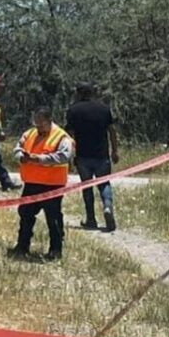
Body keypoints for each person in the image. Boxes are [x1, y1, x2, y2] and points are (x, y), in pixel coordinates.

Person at [8, 107, 75, 261]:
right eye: (36, 124)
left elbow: (64, 156)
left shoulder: (61, 137)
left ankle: (55, 250)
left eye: (41, 125)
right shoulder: (29, 133)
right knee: (25, 214)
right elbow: (17, 148)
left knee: (53, 217)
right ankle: (22, 246)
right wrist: (21, 157)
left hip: (52, 185)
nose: (38, 128)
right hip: (31, 183)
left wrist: (39, 159)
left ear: (49, 121)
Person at [66, 82, 119, 232]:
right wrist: (114, 151)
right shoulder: (104, 109)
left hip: (83, 155)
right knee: (104, 183)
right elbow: (112, 131)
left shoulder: (73, 110)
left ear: (78, 93)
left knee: (86, 186)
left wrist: (69, 156)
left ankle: (91, 219)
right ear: (92, 92)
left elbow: (69, 135)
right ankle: (107, 207)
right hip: (102, 154)